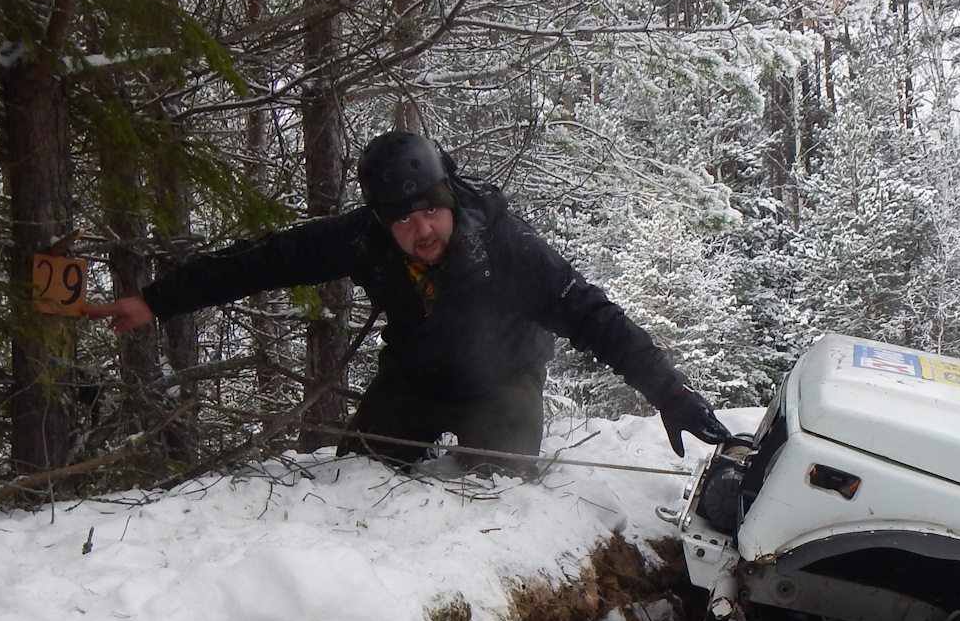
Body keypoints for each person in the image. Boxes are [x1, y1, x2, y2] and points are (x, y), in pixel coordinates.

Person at [82, 131, 730, 468]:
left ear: (448, 199)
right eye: (402, 219)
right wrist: (156, 302)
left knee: (496, 497)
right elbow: (263, 261)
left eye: (430, 212)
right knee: (356, 481)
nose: (421, 230)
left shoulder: (502, 244)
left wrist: (669, 394)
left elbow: (593, 315)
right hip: (414, 379)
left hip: (503, 380)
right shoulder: (363, 241)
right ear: (381, 220)